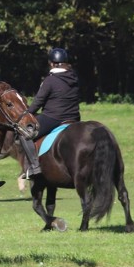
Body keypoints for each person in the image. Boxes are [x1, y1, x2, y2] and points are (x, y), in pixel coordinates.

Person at [21, 47, 80, 178]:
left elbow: (38, 102)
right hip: (74, 118)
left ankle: (34, 167)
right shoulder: (74, 77)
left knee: (25, 132)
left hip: (53, 118)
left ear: (52, 63)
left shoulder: (50, 80)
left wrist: (26, 114)